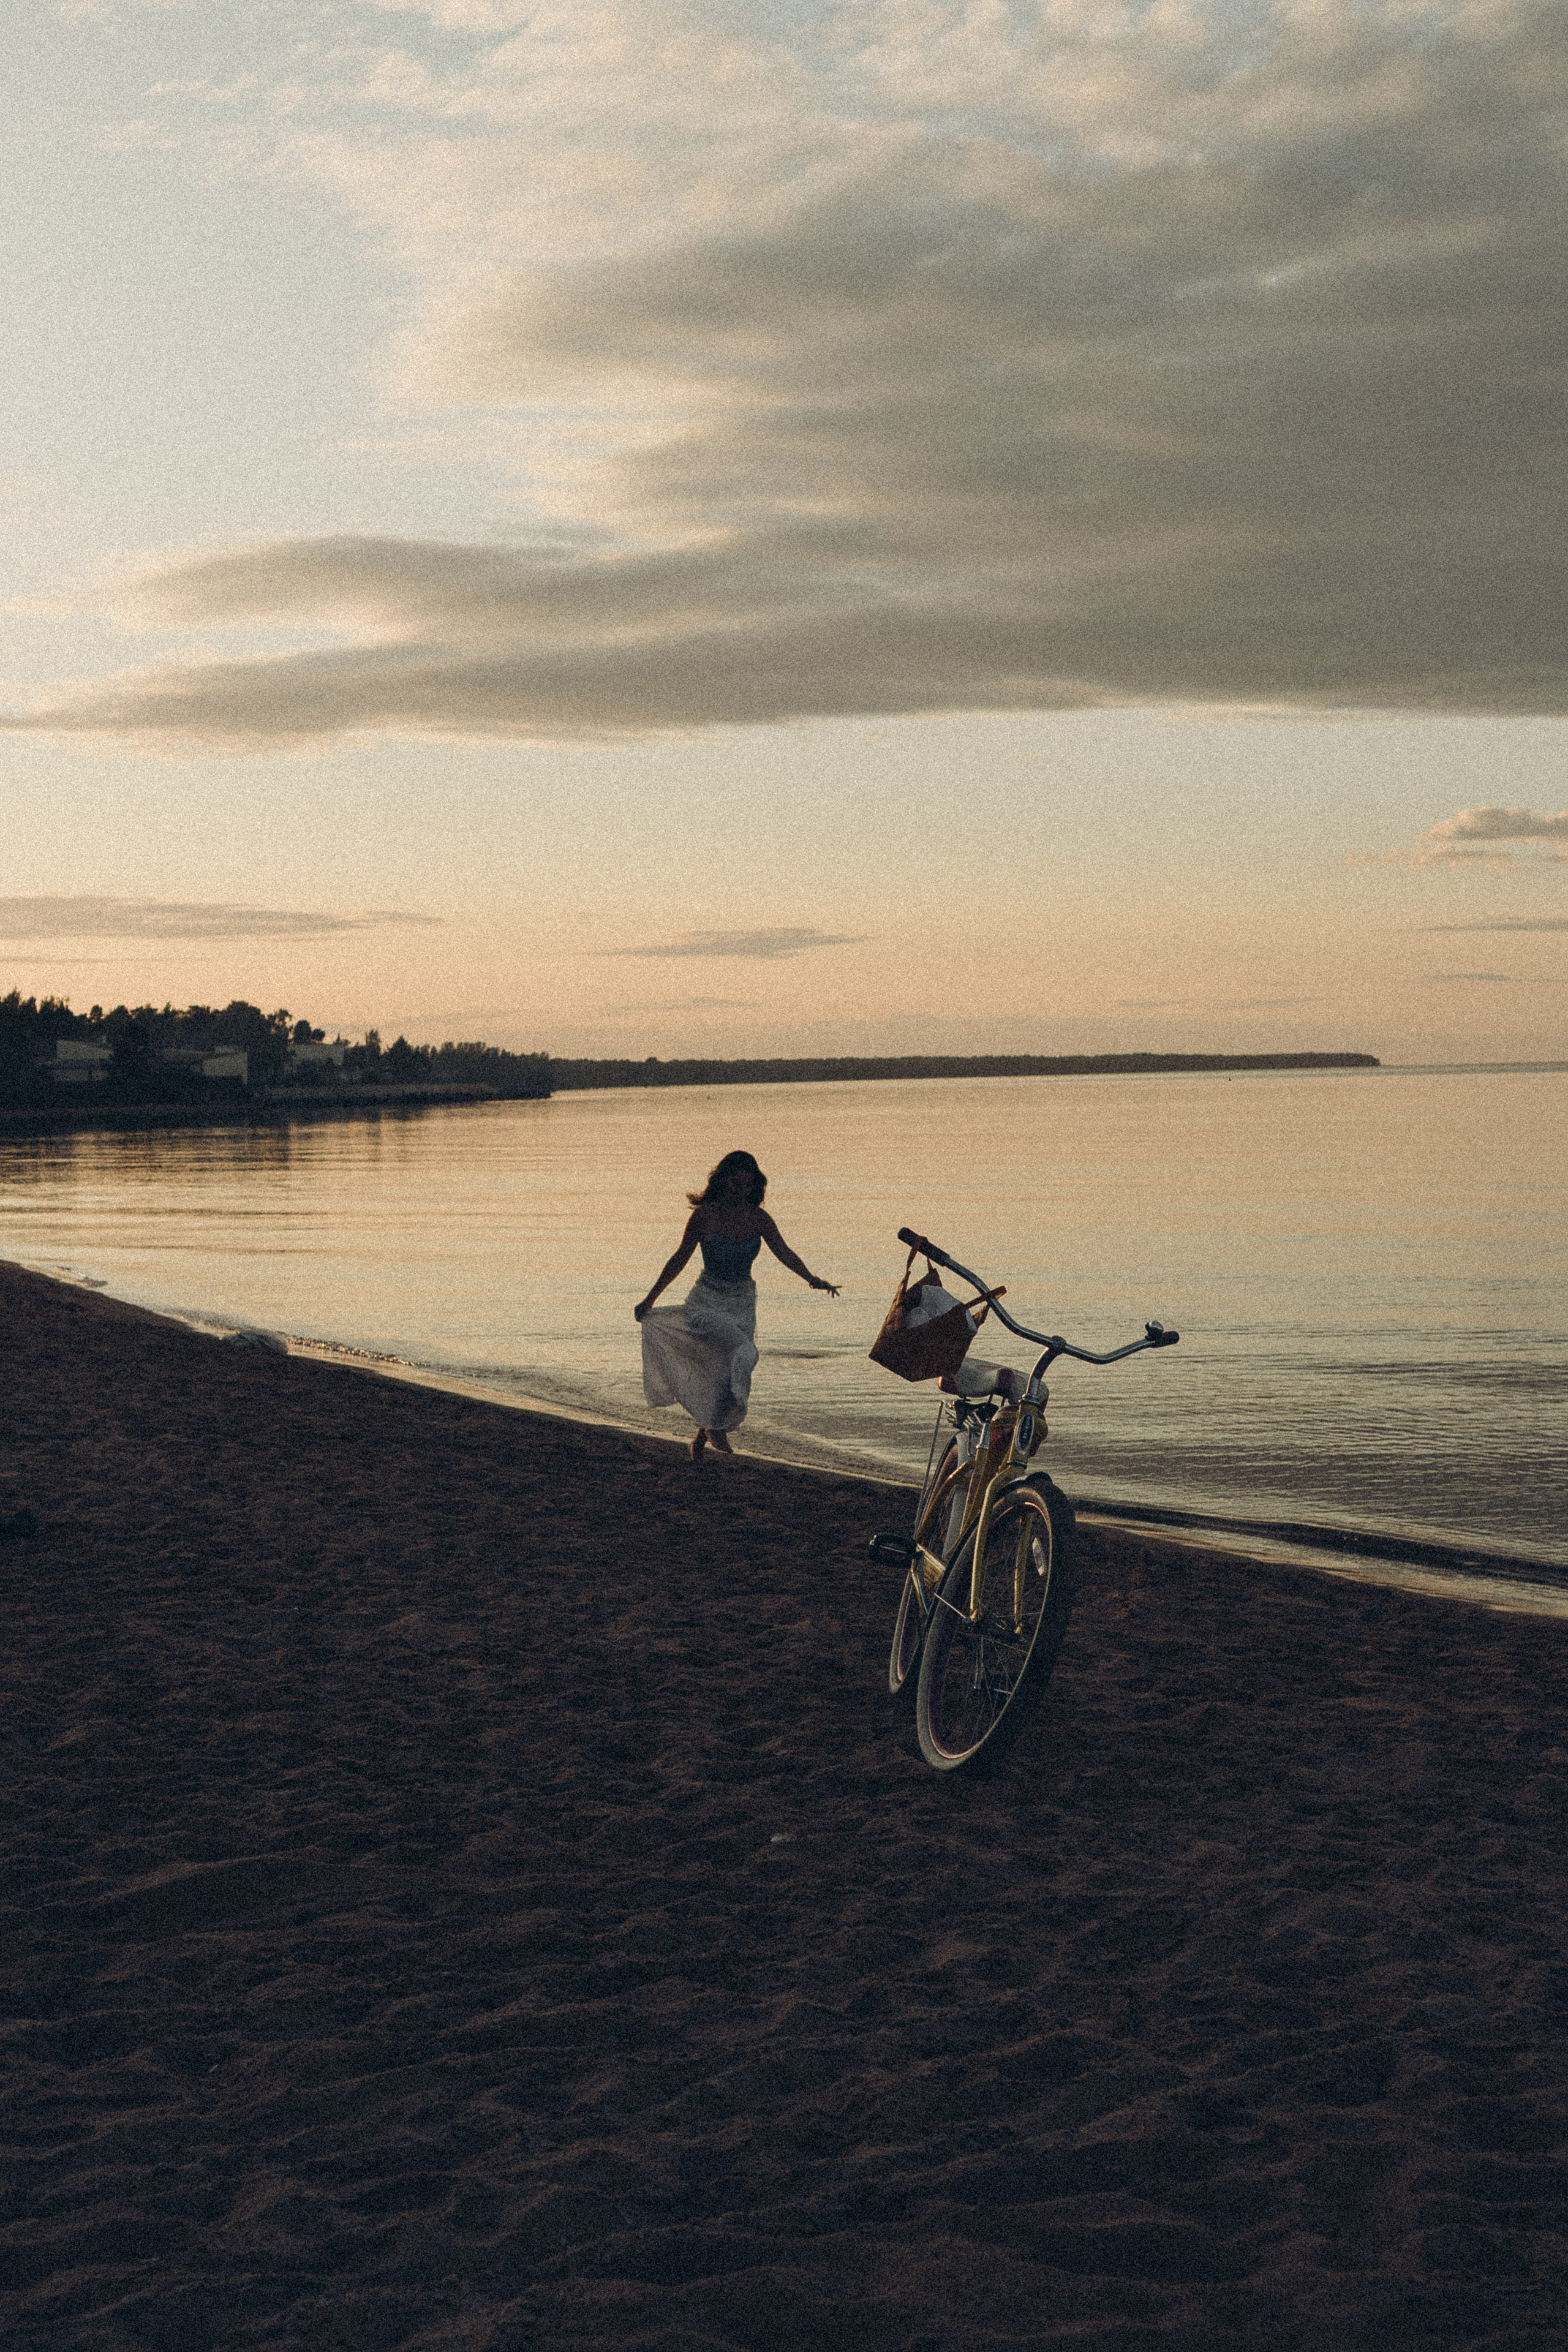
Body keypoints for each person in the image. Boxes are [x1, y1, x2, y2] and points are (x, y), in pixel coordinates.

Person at [635, 1150, 839, 1460]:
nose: (740, 1190)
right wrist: (651, 1298)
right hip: (706, 1302)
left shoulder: (758, 1218)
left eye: (746, 1185)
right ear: (723, 1182)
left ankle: (705, 1433)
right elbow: (679, 1258)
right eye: (734, 1184)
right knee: (743, 1353)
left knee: (728, 1369)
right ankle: (716, 1431)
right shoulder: (704, 1215)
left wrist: (812, 1279)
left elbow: (785, 1252)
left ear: (753, 1186)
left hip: (742, 1303)